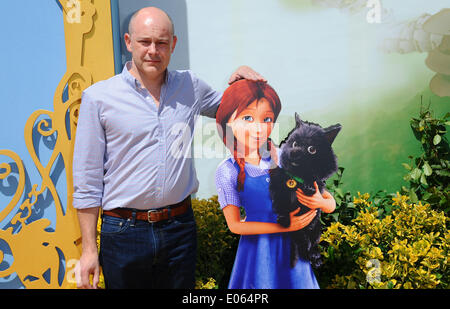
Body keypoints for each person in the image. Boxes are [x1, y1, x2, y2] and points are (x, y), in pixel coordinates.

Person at [73, 7, 265, 289]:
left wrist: (242, 83)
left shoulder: (190, 86)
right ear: (128, 42)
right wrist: (89, 250)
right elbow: (87, 181)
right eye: (145, 42)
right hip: (124, 232)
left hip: (179, 229)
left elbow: (231, 109)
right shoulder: (99, 98)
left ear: (173, 45)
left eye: (161, 43)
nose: (153, 50)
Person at [215, 79, 336, 289]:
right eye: (248, 118)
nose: (258, 128)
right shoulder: (227, 171)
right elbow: (235, 225)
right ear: (228, 121)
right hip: (258, 254)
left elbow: (329, 201)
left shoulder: (284, 157)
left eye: (267, 119)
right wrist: (282, 225)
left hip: (293, 252)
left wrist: (321, 203)